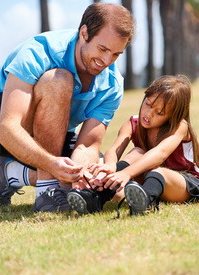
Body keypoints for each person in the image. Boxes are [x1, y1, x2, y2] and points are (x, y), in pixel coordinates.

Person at [0, 3, 135, 212]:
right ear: (84, 32)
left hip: (49, 138)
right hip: (7, 134)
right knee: (60, 79)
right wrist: (52, 165)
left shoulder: (112, 83)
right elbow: (7, 127)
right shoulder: (38, 53)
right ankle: (47, 193)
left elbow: (88, 145)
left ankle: (9, 174)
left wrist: (80, 178)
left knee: (106, 183)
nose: (107, 61)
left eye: (116, 54)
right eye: (102, 49)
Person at [67, 74, 199, 216]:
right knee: (137, 152)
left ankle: (144, 202)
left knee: (159, 171)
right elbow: (114, 149)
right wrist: (111, 165)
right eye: (148, 104)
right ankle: (96, 199)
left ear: (172, 116)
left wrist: (127, 173)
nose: (149, 114)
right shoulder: (133, 123)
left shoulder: (180, 126)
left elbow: (160, 154)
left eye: (159, 112)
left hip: (182, 183)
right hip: (149, 179)